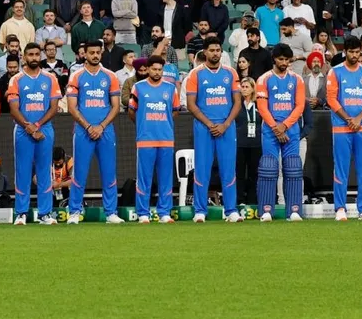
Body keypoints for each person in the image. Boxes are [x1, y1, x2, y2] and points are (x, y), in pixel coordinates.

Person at [184, 37, 241, 222]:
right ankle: (200, 210)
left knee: (228, 169)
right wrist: (210, 124)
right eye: (212, 50)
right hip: (203, 128)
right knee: (202, 169)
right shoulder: (195, 74)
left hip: (227, 127)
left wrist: (225, 124)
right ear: (205, 52)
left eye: (218, 50)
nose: (216, 53)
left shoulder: (231, 73)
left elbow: (237, 102)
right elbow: (191, 105)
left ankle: (231, 210)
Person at [65, 40, 123, 224]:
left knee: (109, 172)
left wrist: (101, 126)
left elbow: (115, 107)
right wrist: (89, 127)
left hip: (105, 131)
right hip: (83, 131)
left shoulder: (111, 76)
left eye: (98, 52)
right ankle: (74, 212)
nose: (95, 55)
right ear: (85, 54)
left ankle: (111, 212)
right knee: (79, 173)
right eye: (92, 52)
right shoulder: (76, 76)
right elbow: (72, 108)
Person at [7, 42, 60, 225]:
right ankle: (21, 213)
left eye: (37, 54)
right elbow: (13, 108)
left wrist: (36, 125)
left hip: (44, 129)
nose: (34, 58)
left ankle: (45, 213)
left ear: (41, 55)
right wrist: (28, 127)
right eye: (31, 54)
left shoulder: (50, 79)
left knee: (45, 172)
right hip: (22, 130)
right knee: (22, 171)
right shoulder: (16, 80)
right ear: (24, 57)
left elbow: (54, 107)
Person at [326, 36, 362, 221]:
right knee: (341, 168)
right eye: (352, 52)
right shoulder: (335, 72)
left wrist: (358, 118)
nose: (355, 55)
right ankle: (340, 208)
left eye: (358, 52)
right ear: (345, 52)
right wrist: (349, 119)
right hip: (341, 128)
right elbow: (331, 99)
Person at [254, 43, 306, 222]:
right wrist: (276, 128)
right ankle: (266, 210)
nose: (284, 63)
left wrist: (284, 126)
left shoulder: (297, 79)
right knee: (268, 167)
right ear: (274, 59)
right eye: (281, 59)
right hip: (270, 130)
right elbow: (262, 107)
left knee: (293, 168)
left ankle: (294, 210)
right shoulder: (264, 79)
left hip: (290, 130)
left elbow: (299, 106)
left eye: (287, 60)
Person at [128, 55, 180, 223]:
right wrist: (143, 124)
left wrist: (164, 123)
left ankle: (164, 212)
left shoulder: (171, 88)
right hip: (145, 140)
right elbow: (131, 111)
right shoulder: (138, 87)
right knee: (144, 178)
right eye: (154, 69)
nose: (157, 72)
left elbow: (175, 110)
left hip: (166, 139)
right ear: (148, 69)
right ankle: (143, 213)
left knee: (166, 178)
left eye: (160, 70)